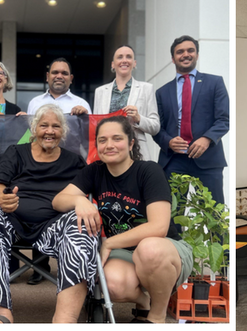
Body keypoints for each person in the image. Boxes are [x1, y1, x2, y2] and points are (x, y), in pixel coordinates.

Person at [53, 116, 192, 324]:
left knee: (149, 249)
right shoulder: (95, 171)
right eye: (102, 140)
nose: (109, 145)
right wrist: (79, 201)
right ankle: (143, 301)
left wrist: (109, 242)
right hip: (124, 252)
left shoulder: (149, 171)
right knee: (112, 285)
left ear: (131, 143)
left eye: (117, 138)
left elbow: (159, 227)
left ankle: (157, 316)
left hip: (164, 248)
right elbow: (58, 201)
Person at [0, 103, 98, 324]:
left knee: (83, 225)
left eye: (56, 126)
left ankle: (65, 319)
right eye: (44, 125)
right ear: (34, 128)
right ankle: (0, 312)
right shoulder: (16, 153)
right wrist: (1, 199)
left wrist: (83, 203)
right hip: (12, 224)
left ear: (63, 132)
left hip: (55, 227)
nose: (50, 131)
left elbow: (83, 194)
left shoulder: (74, 161)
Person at [152, 35, 229, 204]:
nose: (185, 54)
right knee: (172, 215)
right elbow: (157, 128)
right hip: (173, 161)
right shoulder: (161, 92)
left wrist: (206, 139)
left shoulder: (215, 83)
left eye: (190, 50)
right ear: (173, 59)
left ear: (197, 55)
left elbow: (223, 120)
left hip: (208, 159)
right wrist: (169, 142)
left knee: (213, 215)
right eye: (180, 52)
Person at [92, 44, 160, 162]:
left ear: (134, 63)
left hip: (136, 152)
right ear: (113, 64)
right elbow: (96, 126)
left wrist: (138, 118)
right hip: (108, 150)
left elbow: (155, 127)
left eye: (128, 57)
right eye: (120, 57)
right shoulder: (100, 92)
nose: (124, 60)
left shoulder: (146, 88)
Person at [25, 58, 91, 116]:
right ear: (47, 77)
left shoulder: (82, 104)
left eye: (64, 73)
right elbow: (29, 129)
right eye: (55, 72)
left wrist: (84, 117)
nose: (59, 76)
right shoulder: (34, 102)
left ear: (71, 79)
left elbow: (90, 129)